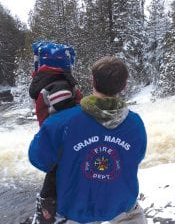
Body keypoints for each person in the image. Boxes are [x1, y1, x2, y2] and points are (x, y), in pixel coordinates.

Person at [28, 56, 148, 224]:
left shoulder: (60, 122)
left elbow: (39, 160)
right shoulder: (135, 123)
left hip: (75, 209)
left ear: (93, 81)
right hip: (121, 205)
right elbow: (137, 157)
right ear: (124, 85)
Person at [29, 40, 82, 224]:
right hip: (62, 138)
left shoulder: (49, 80)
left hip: (52, 136)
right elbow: (66, 111)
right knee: (60, 171)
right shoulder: (59, 85)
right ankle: (50, 209)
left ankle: (47, 205)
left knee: (55, 170)